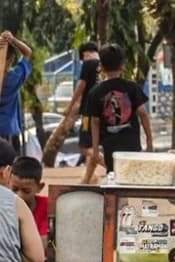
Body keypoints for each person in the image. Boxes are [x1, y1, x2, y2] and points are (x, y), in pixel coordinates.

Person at [86, 43, 154, 174]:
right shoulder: (132, 88)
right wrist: (149, 141)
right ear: (123, 66)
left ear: (101, 67)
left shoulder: (95, 93)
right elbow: (143, 114)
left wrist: (95, 150)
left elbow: (94, 122)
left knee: (114, 178)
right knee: (132, 178)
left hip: (111, 148)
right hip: (132, 145)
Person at [66, 42, 102, 184]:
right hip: (104, 110)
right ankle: (87, 178)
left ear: (84, 55)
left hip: (89, 110)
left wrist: (71, 105)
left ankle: (111, 166)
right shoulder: (103, 64)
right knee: (92, 146)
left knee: (84, 147)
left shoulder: (88, 64)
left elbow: (81, 85)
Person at [10, 156, 49, 246]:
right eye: (14, 189)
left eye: (26, 191)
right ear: (8, 182)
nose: (19, 195)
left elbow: (47, 242)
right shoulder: (2, 206)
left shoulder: (48, 206)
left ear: (40, 187)